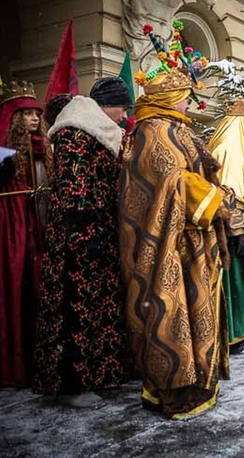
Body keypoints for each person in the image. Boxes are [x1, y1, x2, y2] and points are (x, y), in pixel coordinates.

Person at [120, 59, 234, 419]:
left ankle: (168, 384)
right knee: (176, 313)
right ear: (172, 98)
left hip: (183, 238)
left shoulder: (159, 127)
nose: (189, 104)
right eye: (185, 97)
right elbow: (176, 183)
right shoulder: (156, 131)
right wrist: (222, 200)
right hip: (178, 244)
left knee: (170, 313)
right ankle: (184, 390)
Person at [32, 79, 132, 409]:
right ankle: (72, 386)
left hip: (97, 234)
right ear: (106, 105)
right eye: (121, 107)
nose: (124, 114)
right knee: (75, 310)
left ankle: (98, 374)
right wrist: (83, 235)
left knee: (96, 310)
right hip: (78, 240)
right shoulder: (75, 132)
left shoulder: (99, 132)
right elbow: (75, 189)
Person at [0, 81, 52, 388]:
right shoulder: (4, 154)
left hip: (40, 225)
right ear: (14, 118)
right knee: (17, 286)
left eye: (36, 113)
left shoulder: (44, 149)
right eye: (27, 114)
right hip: (15, 229)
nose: (34, 119)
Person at [208, 98, 244, 354]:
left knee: (242, 281)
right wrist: (237, 228)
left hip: (242, 228)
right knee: (233, 282)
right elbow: (228, 194)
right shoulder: (229, 148)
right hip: (233, 231)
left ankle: (240, 328)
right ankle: (231, 333)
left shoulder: (240, 146)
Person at [119, 0, 217, 66]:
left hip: (164, 33)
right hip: (141, 27)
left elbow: (210, 0)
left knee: (160, 74)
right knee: (143, 71)